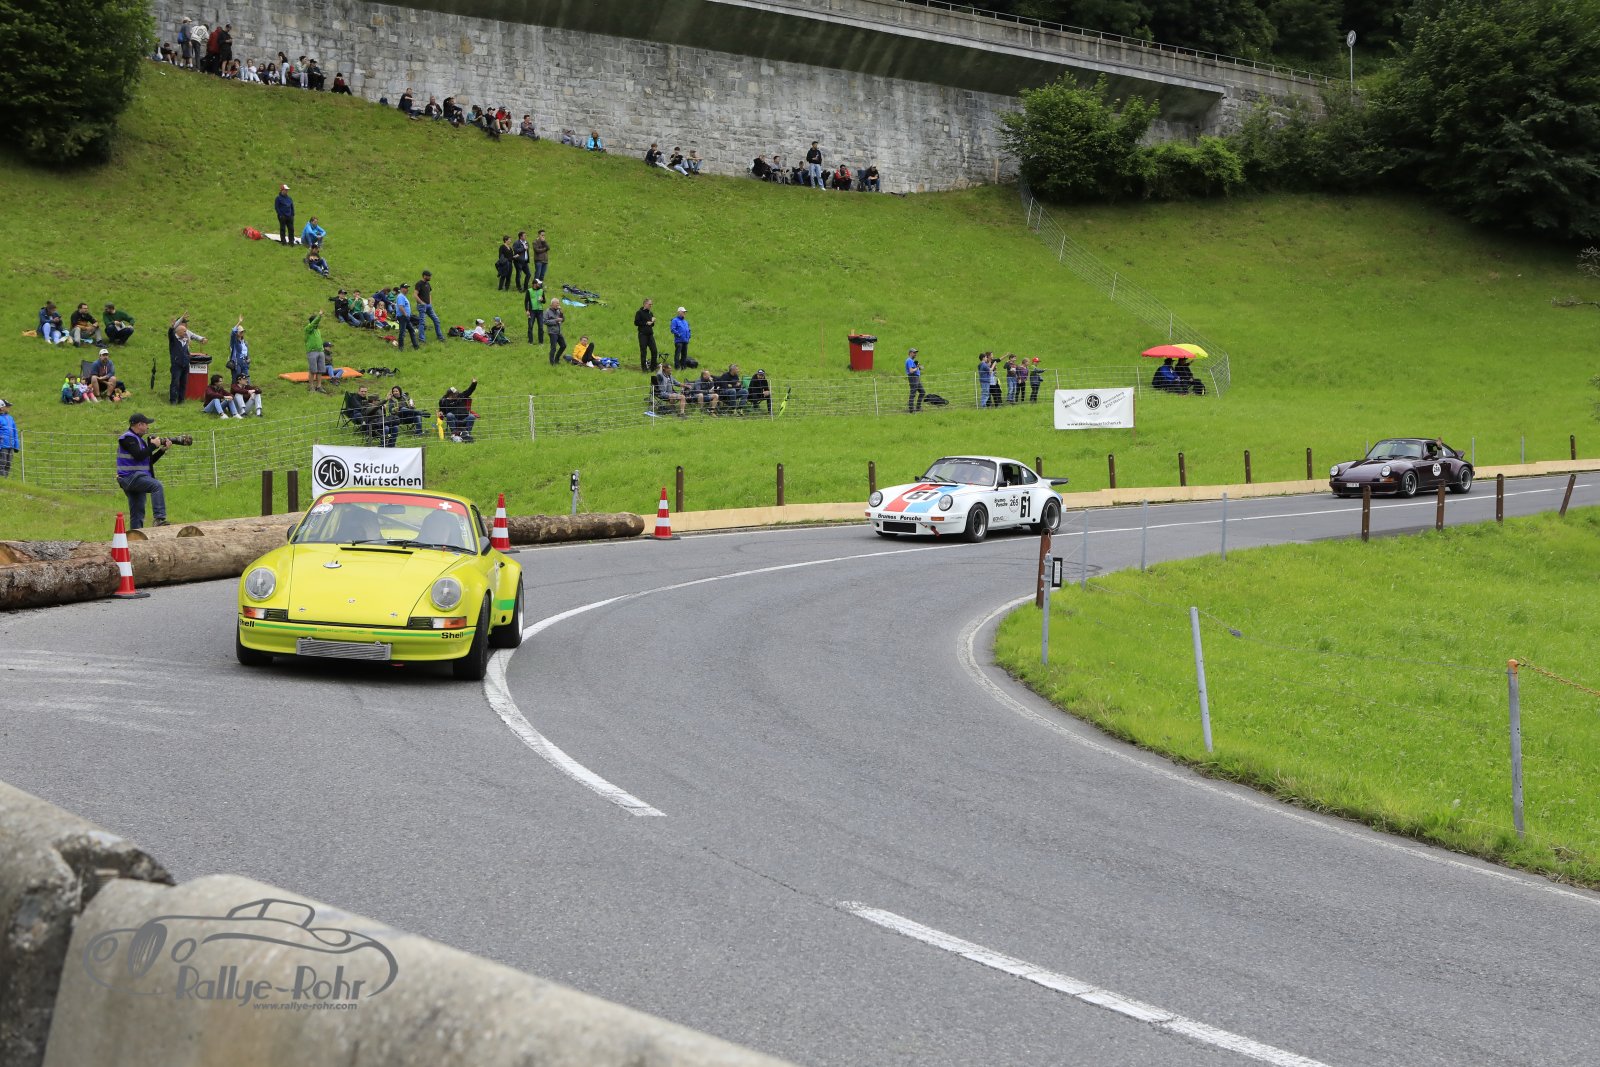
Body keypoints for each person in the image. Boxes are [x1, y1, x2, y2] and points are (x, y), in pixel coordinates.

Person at [116, 413, 171, 529]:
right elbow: (138, 455)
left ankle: (135, 537)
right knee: (156, 486)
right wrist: (153, 446)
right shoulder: (128, 438)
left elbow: (147, 462)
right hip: (130, 478)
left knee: (137, 513)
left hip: (135, 478)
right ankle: (159, 519)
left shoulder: (138, 440)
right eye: (146, 424)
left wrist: (162, 450)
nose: (148, 427)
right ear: (139, 425)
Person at [167, 312, 203, 404]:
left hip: (185, 365)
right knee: (175, 383)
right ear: (178, 332)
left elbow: (186, 352)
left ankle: (181, 400)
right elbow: (171, 331)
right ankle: (173, 400)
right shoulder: (173, 340)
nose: (186, 333)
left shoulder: (185, 341)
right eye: (184, 331)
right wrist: (178, 321)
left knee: (183, 383)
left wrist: (188, 357)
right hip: (176, 365)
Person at [416, 270, 444, 341]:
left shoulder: (428, 284)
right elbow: (415, 295)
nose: (430, 277)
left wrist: (430, 303)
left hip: (428, 306)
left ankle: (440, 337)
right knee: (422, 323)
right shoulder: (419, 284)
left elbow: (429, 294)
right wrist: (421, 303)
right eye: (429, 276)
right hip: (422, 306)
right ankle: (421, 339)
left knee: (436, 320)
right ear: (424, 276)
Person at [304, 311, 328, 394]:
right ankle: (311, 387)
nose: (318, 323)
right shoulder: (308, 329)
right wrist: (319, 316)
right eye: (316, 322)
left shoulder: (317, 330)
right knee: (312, 370)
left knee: (320, 370)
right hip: (312, 352)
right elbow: (314, 323)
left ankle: (319, 386)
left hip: (320, 351)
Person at [635, 298, 658, 372]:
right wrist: (646, 323)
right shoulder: (639, 312)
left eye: (651, 304)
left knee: (654, 351)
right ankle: (644, 369)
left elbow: (651, 325)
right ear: (645, 304)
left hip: (650, 335)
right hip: (642, 335)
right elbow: (636, 322)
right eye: (649, 304)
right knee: (643, 352)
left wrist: (653, 321)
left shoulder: (650, 313)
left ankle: (652, 367)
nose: (651, 306)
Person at [393, 282, 418, 349]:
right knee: (402, 332)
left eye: (407, 288)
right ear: (401, 289)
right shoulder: (401, 296)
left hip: (405, 317)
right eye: (405, 288)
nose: (407, 289)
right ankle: (401, 347)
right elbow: (401, 307)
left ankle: (416, 346)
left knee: (411, 330)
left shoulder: (403, 296)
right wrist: (406, 315)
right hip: (403, 317)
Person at [543, 298, 567, 364]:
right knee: (553, 348)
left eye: (558, 303)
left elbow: (563, 319)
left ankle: (556, 359)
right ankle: (552, 362)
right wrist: (556, 320)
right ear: (552, 304)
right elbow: (545, 321)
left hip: (559, 332)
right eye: (557, 303)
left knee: (563, 345)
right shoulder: (547, 311)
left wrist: (561, 313)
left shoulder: (558, 311)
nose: (558, 304)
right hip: (552, 332)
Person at [525, 278, 545, 344]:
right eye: (538, 283)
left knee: (541, 327)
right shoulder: (529, 291)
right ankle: (530, 341)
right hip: (532, 311)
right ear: (534, 284)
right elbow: (526, 301)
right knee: (530, 326)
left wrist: (542, 300)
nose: (540, 284)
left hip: (540, 310)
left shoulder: (541, 290)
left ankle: (541, 342)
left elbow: (544, 301)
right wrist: (527, 310)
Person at [0, 399, 17, 478]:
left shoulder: (10, 418)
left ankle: (5, 479)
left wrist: (16, 445)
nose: (9, 408)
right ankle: (1, 478)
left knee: (8, 463)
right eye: (7, 406)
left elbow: (15, 431)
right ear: (2, 408)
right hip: (2, 445)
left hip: (11, 445)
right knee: (2, 462)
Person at [905, 347, 924, 413]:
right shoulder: (909, 360)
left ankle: (918, 407)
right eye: (914, 353)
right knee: (913, 393)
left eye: (916, 353)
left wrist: (919, 366)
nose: (915, 354)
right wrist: (917, 368)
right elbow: (911, 371)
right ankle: (911, 409)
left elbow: (922, 368)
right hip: (913, 377)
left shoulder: (913, 361)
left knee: (922, 392)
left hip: (916, 378)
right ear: (910, 353)